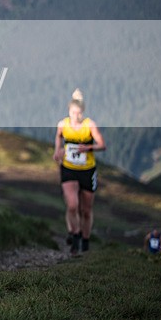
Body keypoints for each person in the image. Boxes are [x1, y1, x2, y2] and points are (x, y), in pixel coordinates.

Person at [53, 89, 105, 256]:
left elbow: (102, 145)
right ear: (69, 111)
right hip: (68, 168)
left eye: (78, 113)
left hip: (87, 170)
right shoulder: (63, 125)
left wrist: (88, 147)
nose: (75, 116)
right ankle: (74, 237)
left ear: (83, 112)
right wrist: (57, 150)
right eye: (73, 113)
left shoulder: (89, 125)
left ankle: (85, 241)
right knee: (72, 205)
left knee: (86, 210)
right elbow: (58, 137)